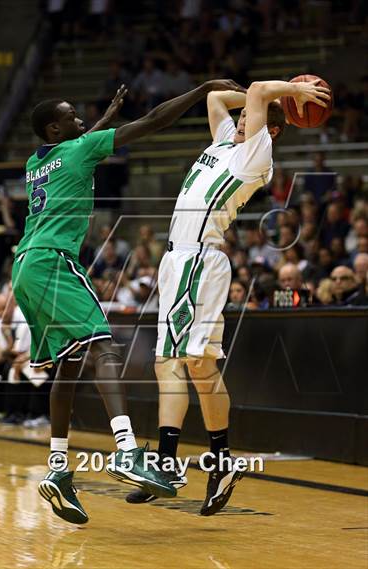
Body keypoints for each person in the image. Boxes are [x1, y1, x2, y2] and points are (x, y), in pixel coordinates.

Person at [11, 79, 239, 524]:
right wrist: (203, 90)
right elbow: (154, 121)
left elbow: (74, 150)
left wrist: (99, 124)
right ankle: (127, 451)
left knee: (70, 366)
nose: (81, 119)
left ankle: (58, 471)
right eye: (72, 116)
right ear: (56, 130)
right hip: (54, 261)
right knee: (103, 346)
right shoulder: (80, 148)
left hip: (24, 268)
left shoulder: (36, 160)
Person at [126, 78, 330, 514]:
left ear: (269, 130)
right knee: (188, 366)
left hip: (200, 260)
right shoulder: (225, 141)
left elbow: (257, 91)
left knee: (185, 363)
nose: (240, 121)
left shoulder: (256, 154)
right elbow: (217, 97)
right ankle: (201, 463)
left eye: (248, 120)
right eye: (240, 119)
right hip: (177, 261)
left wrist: (282, 95)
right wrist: (241, 96)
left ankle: (187, 461)